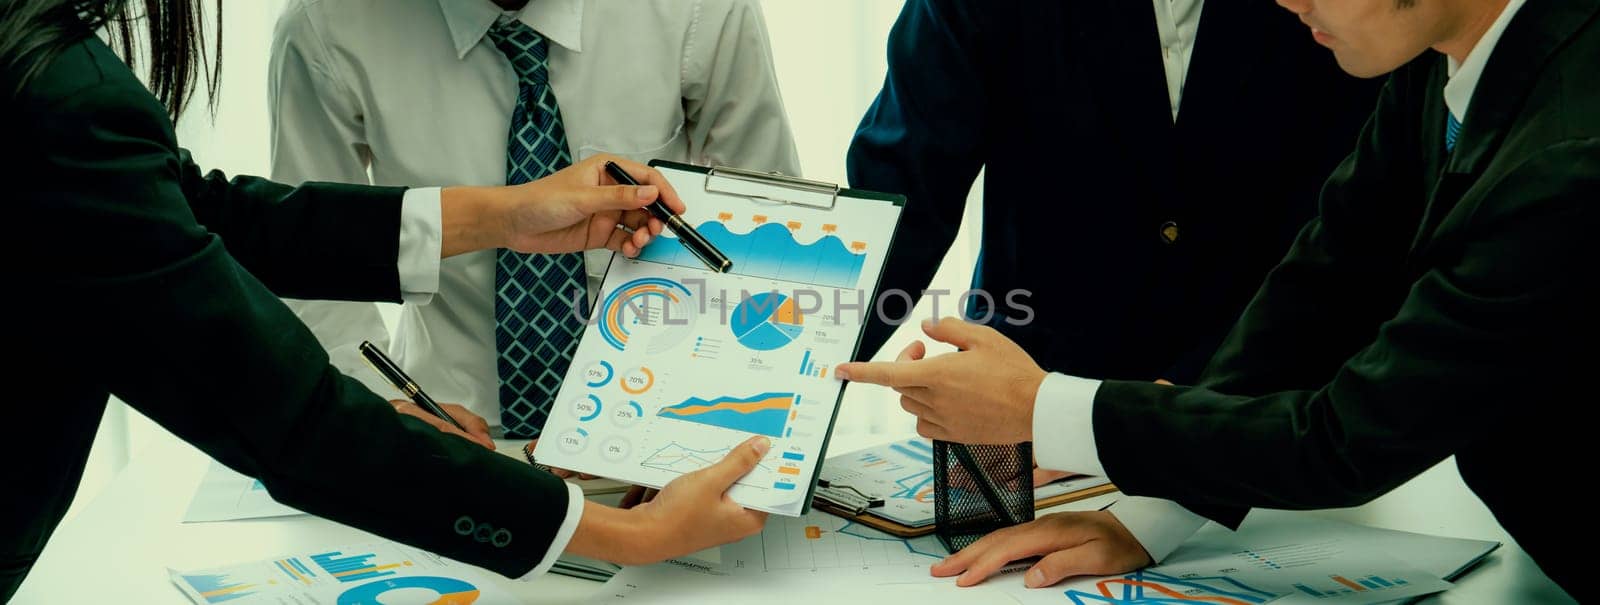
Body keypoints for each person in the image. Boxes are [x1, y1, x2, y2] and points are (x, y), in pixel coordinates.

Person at [1, 0, 773, 599]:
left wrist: (507, 213)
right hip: (461, 456)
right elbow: (294, 420)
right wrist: (629, 535)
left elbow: (213, 212)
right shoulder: (57, 95)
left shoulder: (44, 79)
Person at [837, 0, 1595, 599]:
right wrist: (1156, 515)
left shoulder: (1566, 154)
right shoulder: (1437, 62)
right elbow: (1322, 285)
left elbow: (1343, 437)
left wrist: (1040, 409)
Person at [845, 0, 1382, 571]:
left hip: (1270, 412)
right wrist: (771, 402)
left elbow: (1343, 257)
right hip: (1028, 410)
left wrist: (1148, 455)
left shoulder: (1346, 19)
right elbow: (892, 207)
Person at [269, 0, 801, 441]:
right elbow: (306, 261)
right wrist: (380, 413)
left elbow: (771, 236)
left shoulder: (701, 10)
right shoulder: (325, 26)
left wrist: (723, 414)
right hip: (453, 425)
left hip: (668, 419)